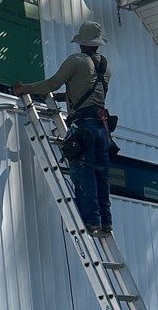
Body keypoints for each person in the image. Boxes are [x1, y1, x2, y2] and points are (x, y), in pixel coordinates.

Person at [14, 21, 114, 235]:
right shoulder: (105, 66)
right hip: (102, 127)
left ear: (81, 42)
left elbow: (52, 83)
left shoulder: (76, 61)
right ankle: (105, 222)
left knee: (83, 172)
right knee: (101, 175)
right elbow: (87, 94)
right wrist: (62, 97)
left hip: (84, 126)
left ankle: (92, 223)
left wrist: (26, 89)